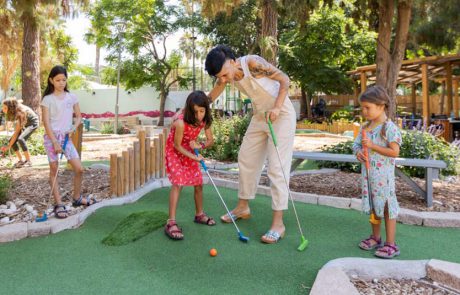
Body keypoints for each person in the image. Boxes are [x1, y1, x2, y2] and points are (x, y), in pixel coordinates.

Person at [205, 45, 296, 244]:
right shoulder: (227, 76)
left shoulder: (253, 64)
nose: (223, 79)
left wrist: (278, 107)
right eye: (219, 76)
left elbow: (284, 79)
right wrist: (197, 105)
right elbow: (216, 91)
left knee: (277, 169)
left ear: (231, 61)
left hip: (280, 115)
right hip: (259, 116)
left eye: (224, 74)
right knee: (246, 158)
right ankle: (243, 207)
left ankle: (278, 224)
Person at [41, 65, 97, 219]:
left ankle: (77, 198)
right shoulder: (47, 99)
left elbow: (79, 116)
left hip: (66, 138)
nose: (61, 83)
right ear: (51, 80)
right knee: (54, 169)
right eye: (58, 80)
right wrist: (55, 142)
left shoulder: (71, 97)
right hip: (52, 138)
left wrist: (73, 128)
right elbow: (46, 123)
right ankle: (59, 203)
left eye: (64, 80)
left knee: (79, 169)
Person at [353, 85, 402, 259]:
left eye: (368, 107)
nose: (364, 111)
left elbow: (394, 152)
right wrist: (358, 153)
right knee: (374, 206)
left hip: (384, 180)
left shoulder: (389, 128)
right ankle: (376, 237)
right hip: (369, 178)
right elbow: (356, 145)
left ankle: (391, 244)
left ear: (381, 106)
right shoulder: (365, 127)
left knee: (387, 208)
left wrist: (373, 146)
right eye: (362, 108)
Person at [164, 90, 215, 240]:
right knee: (178, 182)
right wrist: (195, 156)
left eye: (202, 111)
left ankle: (199, 215)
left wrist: (199, 146)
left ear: (206, 109)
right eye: (195, 112)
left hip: (190, 150)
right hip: (175, 151)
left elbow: (210, 140)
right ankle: (171, 222)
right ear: (188, 110)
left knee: (198, 183)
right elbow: (177, 146)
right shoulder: (180, 122)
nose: (199, 115)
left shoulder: (205, 121)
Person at [1, 97, 39, 167]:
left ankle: (28, 161)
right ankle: (21, 161)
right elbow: (20, 100)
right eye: (3, 107)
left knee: (21, 139)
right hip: (26, 123)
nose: (3, 110)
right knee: (11, 141)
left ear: (11, 108)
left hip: (33, 123)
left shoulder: (21, 112)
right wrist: (9, 145)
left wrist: (8, 147)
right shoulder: (14, 107)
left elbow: (16, 132)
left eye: (5, 108)